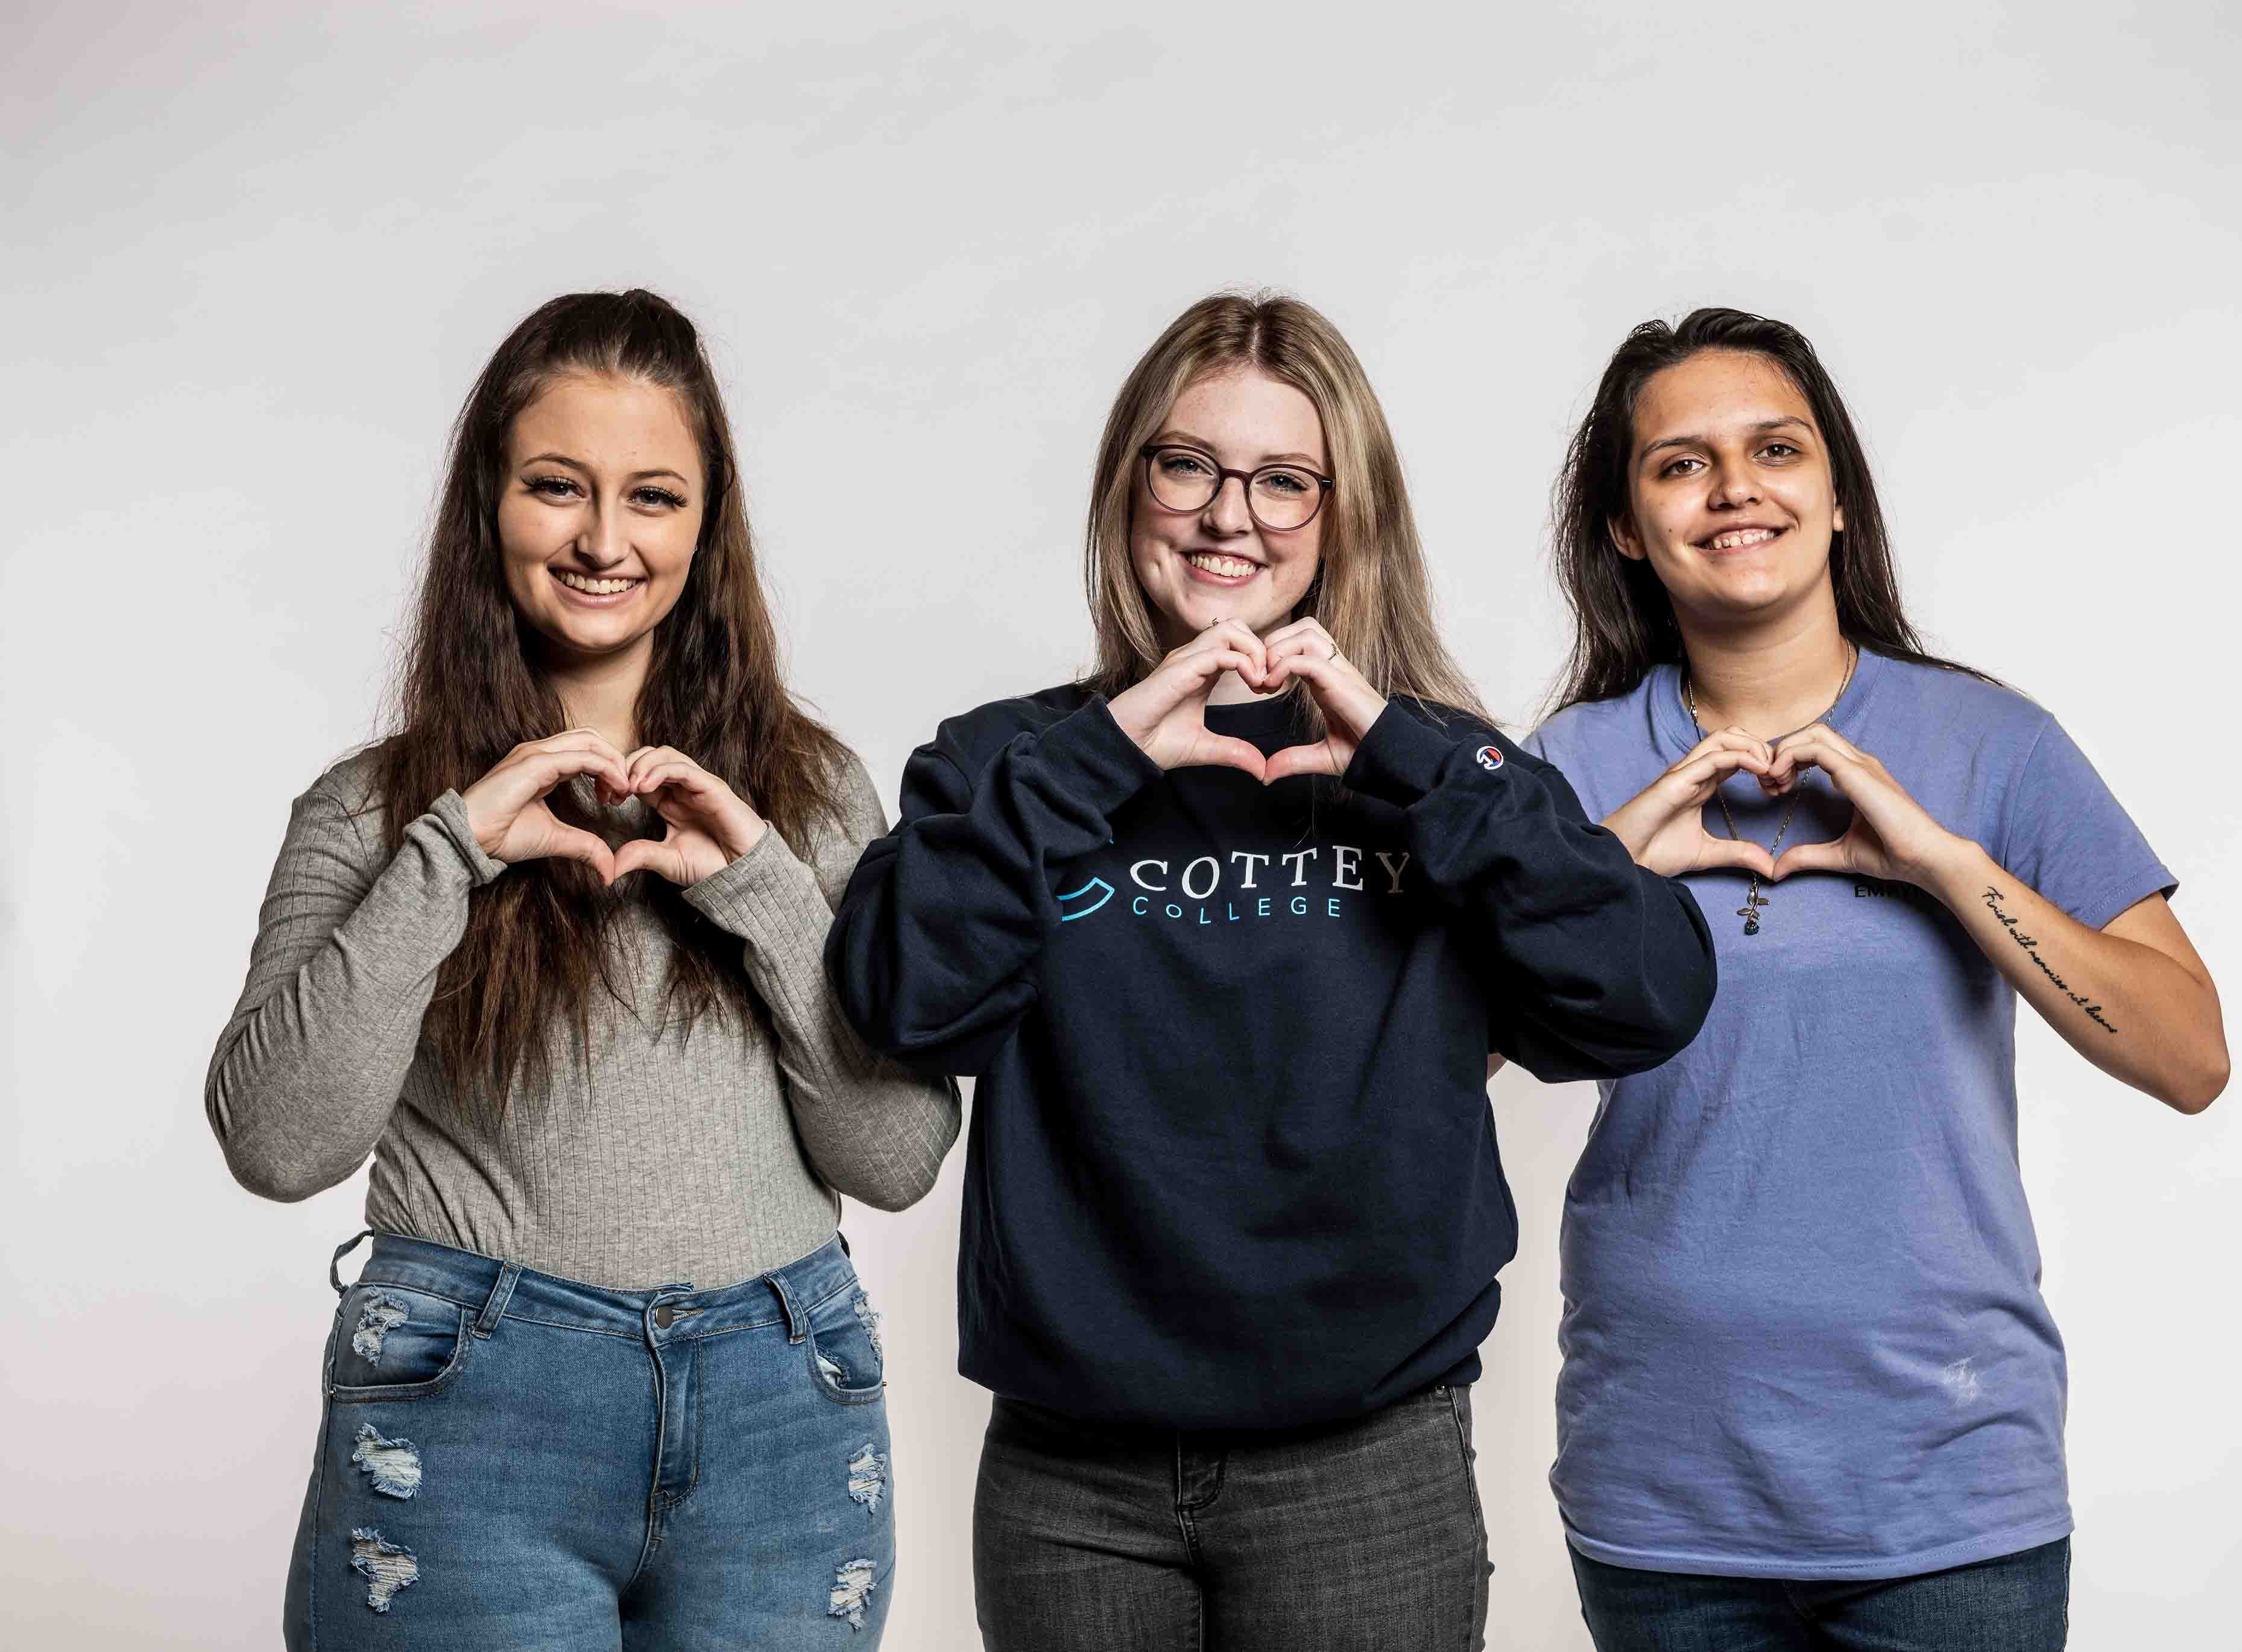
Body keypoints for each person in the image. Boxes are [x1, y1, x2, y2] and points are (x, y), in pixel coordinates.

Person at [824, 291, 1717, 1651]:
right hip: (1076, 1482)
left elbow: (1646, 996)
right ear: (1130, 487)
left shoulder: (1443, 771)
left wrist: (1416, 761)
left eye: (1284, 480)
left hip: (1366, 1469)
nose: (1227, 514)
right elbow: (900, 999)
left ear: (1342, 514)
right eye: (1187, 464)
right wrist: (1098, 760)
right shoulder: (1008, 761)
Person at [205, 289, 957, 1648]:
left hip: (783, 1421)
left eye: (654, 497)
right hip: (471, 1422)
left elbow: (898, 1156)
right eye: (558, 486)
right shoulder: (371, 813)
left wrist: (761, 887)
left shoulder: (816, 792)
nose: (605, 539)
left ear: (706, 524)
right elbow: (275, 1140)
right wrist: (452, 851)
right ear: (489, 506)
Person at [1524, 307, 2229, 1651]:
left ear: (1837, 494)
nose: (1735, 487)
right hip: (1665, 1476)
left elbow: (2189, 1056)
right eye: (1679, 463)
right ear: (1625, 525)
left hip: (1948, 1480)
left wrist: (1945, 863)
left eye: (1775, 448)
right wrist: (1606, 869)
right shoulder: (1568, 765)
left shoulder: (1992, 743)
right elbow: (1430, 1061)